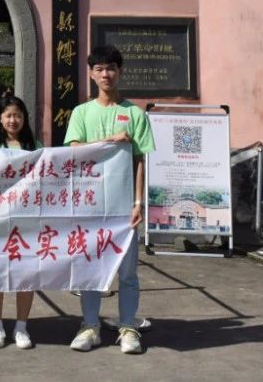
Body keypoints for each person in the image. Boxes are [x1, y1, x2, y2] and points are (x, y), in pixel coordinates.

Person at [63, 45, 154, 354]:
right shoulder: (81, 112)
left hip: (125, 206)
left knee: (128, 271)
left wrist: (138, 203)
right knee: (91, 267)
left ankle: (128, 327)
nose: (106, 73)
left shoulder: (134, 113)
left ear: (120, 71)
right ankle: (90, 325)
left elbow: (140, 160)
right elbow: (75, 150)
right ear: (91, 74)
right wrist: (109, 140)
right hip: (89, 204)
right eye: (100, 68)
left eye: (111, 67)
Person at [0, 96, 40, 349]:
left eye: (17, 115)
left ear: (24, 118)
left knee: (25, 274)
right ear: (0, 119)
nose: (13, 120)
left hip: (26, 220)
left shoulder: (34, 145)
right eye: (8, 115)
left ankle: (21, 327)